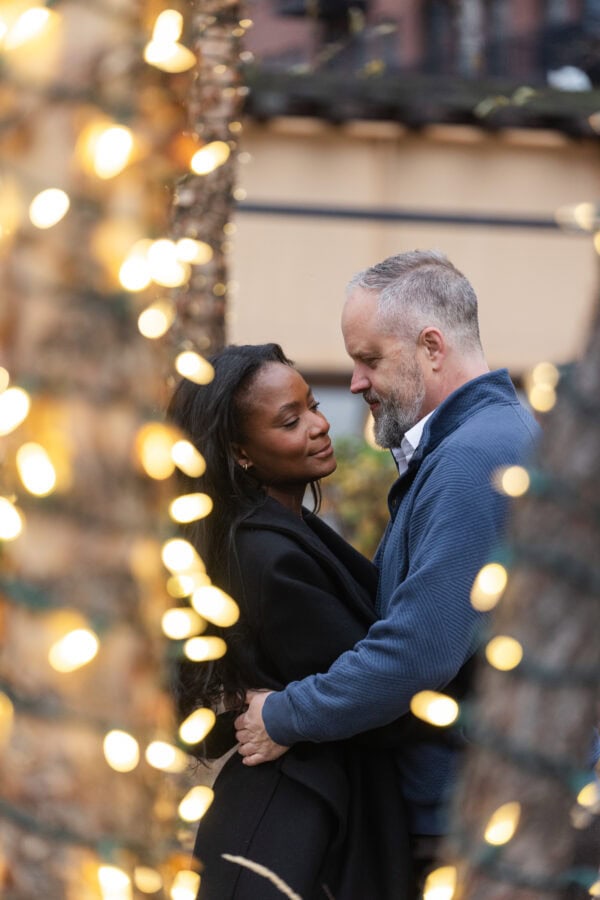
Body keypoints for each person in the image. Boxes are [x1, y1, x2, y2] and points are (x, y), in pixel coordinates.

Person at [234, 250, 541, 884]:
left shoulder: (472, 460)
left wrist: (282, 716)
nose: (352, 383)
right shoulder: (479, 442)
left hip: (474, 818)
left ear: (431, 346)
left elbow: (417, 651)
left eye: (368, 359)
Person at [168, 343, 420, 900]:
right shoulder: (265, 555)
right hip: (298, 823)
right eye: (291, 420)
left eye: (312, 404)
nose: (319, 425)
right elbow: (382, 702)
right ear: (240, 453)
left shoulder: (284, 529)